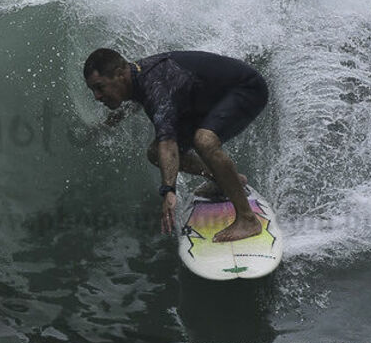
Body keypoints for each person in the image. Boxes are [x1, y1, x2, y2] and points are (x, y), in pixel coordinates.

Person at [82, 48, 269, 242]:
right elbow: (132, 105)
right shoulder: (136, 77)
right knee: (155, 153)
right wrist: (102, 127)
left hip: (247, 89)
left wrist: (168, 190)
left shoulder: (154, 85)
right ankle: (227, 182)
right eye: (93, 90)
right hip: (208, 100)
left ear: (120, 75)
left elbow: (168, 142)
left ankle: (248, 220)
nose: (97, 96)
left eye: (99, 87)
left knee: (204, 141)